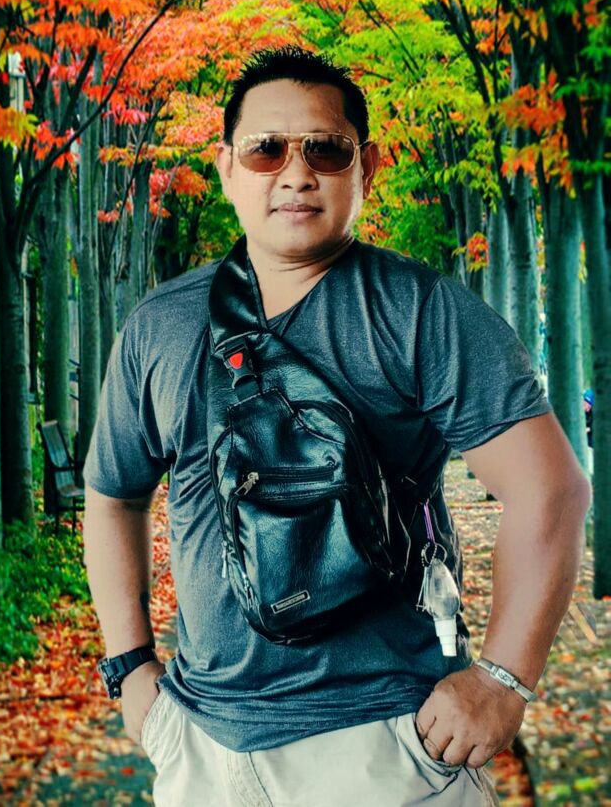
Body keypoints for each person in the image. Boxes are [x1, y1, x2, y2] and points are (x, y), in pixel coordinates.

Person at [83, 46, 591, 806]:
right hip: (201, 743)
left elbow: (551, 492)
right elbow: (113, 495)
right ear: (226, 167)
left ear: (368, 167)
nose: (296, 173)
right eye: (266, 149)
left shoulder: (422, 312)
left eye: (326, 149)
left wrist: (502, 679)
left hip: (386, 740)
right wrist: (129, 667)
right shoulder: (160, 325)